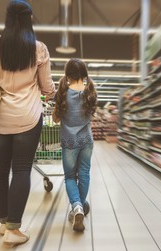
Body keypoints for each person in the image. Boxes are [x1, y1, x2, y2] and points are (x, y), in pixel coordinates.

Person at [0, 0, 55, 246]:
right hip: (27, 116)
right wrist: (51, 92)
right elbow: (47, 88)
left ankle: (4, 224)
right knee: (22, 169)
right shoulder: (39, 49)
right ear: (30, 19)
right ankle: (15, 229)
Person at [53, 58, 97, 232]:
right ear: (84, 74)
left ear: (68, 75)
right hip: (86, 141)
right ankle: (80, 206)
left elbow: (56, 119)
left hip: (69, 142)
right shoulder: (90, 92)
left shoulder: (62, 93)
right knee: (84, 174)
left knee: (70, 177)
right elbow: (90, 116)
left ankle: (77, 206)